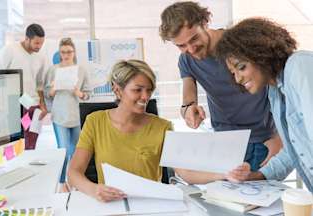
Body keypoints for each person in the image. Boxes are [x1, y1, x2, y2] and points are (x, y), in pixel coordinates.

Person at [159, 1, 282, 184]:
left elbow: (276, 84)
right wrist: (189, 109)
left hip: (262, 140)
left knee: (258, 204)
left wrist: (279, 136)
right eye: (181, 45)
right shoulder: (186, 60)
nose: (191, 49)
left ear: (205, 22)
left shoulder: (239, 43)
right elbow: (187, 98)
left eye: (194, 39)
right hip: (224, 142)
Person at [215, 18, 313, 192]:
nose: (238, 78)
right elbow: (295, 150)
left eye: (242, 67)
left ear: (261, 54)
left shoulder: (299, 66)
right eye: (233, 72)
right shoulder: (275, 93)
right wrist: (257, 176)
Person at [68, 60, 173, 202]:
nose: (145, 96)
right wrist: (94, 190)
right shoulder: (95, 122)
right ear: (117, 90)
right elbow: (74, 172)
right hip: (111, 206)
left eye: (149, 90)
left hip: (150, 207)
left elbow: (185, 172)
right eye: (138, 90)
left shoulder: (163, 127)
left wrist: (214, 174)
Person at [45, 38, 91, 189]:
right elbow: (47, 94)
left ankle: (76, 181)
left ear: (74, 52)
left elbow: (88, 94)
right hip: (59, 115)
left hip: (76, 116)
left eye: (69, 52)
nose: (66, 55)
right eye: (63, 52)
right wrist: (53, 89)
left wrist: (79, 93)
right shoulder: (53, 70)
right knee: (63, 151)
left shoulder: (81, 70)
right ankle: (61, 183)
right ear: (59, 53)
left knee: (78, 152)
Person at [0, 23, 48, 150]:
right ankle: (12, 166)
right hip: (13, 103)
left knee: (30, 141)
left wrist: (43, 105)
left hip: (32, 105)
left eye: (41, 43)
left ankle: (27, 167)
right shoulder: (10, 50)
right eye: (36, 43)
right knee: (13, 142)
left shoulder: (41, 57)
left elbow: (39, 84)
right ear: (27, 38)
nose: (39, 46)